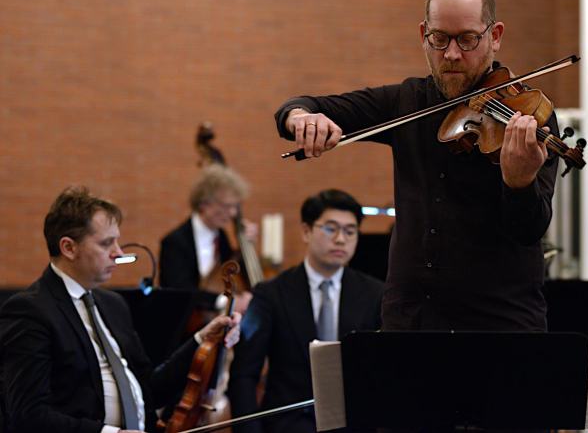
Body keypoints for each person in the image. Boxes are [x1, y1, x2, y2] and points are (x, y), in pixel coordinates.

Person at [274, 0, 559, 332]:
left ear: (495, 36)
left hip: (498, 328)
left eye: (468, 39)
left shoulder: (529, 116)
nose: (452, 54)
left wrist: (519, 183)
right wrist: (301, 118)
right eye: (439, 39)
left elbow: (529, 230)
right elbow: (301, 107)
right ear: (423, 34)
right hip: (410, 326)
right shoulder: (406, 102)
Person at [0, 186, 241, 433]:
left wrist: (202, 339)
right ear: (69, 248)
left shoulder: (112, 304)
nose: (119, 253)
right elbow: (28, 415)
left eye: (117, 240)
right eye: (106, 244)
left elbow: (149, 390)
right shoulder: (30, 311)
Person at [227, 189, 383, 433]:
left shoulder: (376, 294)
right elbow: (244, 374)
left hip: (354, 424)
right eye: (331, 228)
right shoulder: (270, 294)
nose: (341, 239)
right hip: (287, 424)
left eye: (350, 231)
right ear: (306, 231)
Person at [160, 163, 256, 315]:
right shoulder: (175, 242)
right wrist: (225, 302)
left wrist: (246, 246)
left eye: (235, 206)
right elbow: (179, 291)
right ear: (204, 204)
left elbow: (234, 277)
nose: (232, 213)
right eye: (226, 206)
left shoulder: (222, 237)